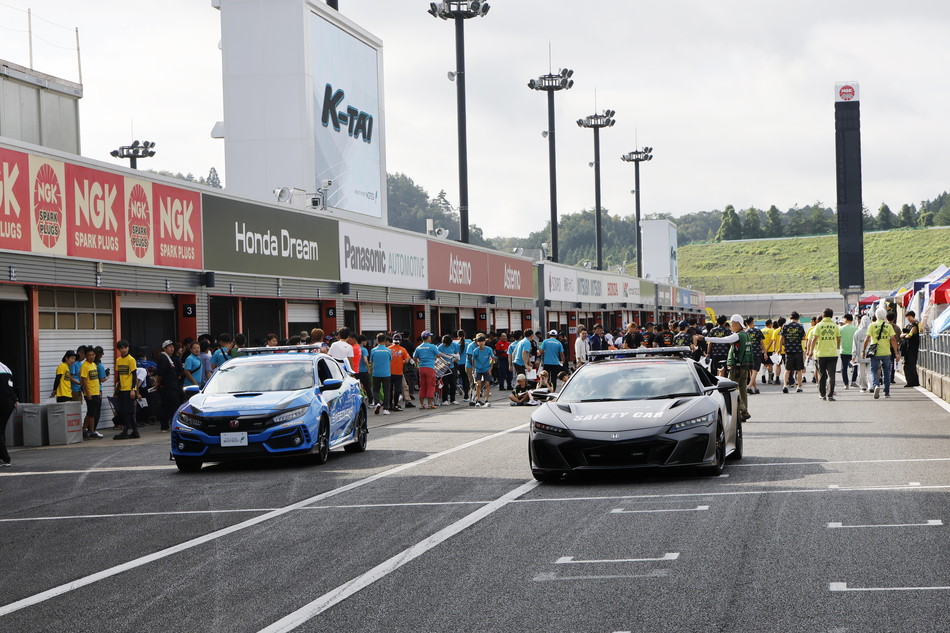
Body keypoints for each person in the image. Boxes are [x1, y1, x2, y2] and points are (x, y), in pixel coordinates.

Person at [705, 314, 752, 421]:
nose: (730, 325)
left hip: (736, 367)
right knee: (743, 391)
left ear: (737, 324)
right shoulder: (746, 334)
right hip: (744, 366)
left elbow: (723, 340)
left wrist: (704, 338)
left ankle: (743, 410)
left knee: (731, 389)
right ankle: (743, 413)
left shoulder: (737, 335)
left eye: (732, 323)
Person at [863, 307, 900, 399]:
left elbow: (867, 339)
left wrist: (863, 351)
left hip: (874, 352)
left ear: (876, 315)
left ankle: (876, 385)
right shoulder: (888, 326)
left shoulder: (872, 325)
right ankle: (886, 392)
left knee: (873, 370)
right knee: (886, 372)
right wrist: (896, 352)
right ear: (885, 316)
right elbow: (893, 339)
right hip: (886, 352)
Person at [807, 308, 841, 401]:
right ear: (832, 316)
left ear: (823, 315)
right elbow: (838, 338)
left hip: (821, 354)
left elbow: (814, 339)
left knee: (822, 374)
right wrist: (836, 346)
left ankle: (822, 394)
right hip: (832, 354)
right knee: (831, 375)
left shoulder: (818, 326)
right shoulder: (835, 326)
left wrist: (810, 351)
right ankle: (830, 395)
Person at [413, 331, 450, 410]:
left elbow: (414, 358)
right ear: (428, 337)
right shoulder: (432, 346)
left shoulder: (418, 347)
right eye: (430, 336)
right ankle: (430, 404)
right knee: (431, 386)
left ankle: (422, 404)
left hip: (421, 368)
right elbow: (438, 355)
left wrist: (419, 362)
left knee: (422, 386)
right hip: (430, 368)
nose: (431, 338)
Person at [113, 340, 140, 439]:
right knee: (128, 412)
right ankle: (135, 432)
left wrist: (133, 389)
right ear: (119, 349)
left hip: (129, 389)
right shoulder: (118, 360)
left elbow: (134, 375)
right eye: (121, 348)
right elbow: (119, 375)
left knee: (127, 412)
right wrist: (117, 389)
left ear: (128, 348)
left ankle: (125, 432)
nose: (124, 350)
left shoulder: (131, 359)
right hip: (122, 389)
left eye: (125, 347)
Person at [157, 339, 183, 432]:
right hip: (167, 387)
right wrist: (157, 383)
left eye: (172, 347)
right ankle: (169, 425)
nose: (172, 349)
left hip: (172, 386)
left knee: (168, 407)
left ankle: (166, 426)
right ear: (164, 348)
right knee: (172, 407)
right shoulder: (163, 358)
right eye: (169, 347)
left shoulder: (170, 358)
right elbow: (161, 373)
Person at [779, 312, 807, 393]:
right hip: (798, 350)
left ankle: (785, 385)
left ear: (790, 318)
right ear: (798, 318)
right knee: (799, 370)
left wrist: (781, 347)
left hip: (788, 350)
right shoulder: (800, 326)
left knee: (787, 369)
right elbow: (803, 337)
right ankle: (798, 386)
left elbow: (781, 338)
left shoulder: (785, 326)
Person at [79, 348, 104, 439]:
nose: (92, 356)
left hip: (96, 392)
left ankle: (83, 430)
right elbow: (84, 381)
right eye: (89, 355)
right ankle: (92, 431)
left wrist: (99, 391)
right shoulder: (84, 366)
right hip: (90, 393)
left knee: (90, 412)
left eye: (93, 355)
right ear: (86, 356)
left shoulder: (93, 365)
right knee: (92, 413)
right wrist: (88, 393)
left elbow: (96, 380)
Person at [368, 333, 393, 415]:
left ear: (377, 340)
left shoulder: (373, 350)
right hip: (386, 373)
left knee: (376, 390)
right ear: (385, 340)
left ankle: (377, 402)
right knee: (386, 391)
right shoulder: (388, 350)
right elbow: (390, 360)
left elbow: (371, 362)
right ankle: (386, 409)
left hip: (376, 373)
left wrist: (370, 371)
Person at [469, 334, 495, 407]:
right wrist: (473, 369)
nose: (481, 343)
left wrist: (490, 368)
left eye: (482, 341)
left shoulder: (489, 349)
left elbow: (492, 358)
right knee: (478, 384)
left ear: (484, 342)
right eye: (479, 342)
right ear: (477, 343)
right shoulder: (475, 351)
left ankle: (486, 400)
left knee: (487, 384)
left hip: (486, 369)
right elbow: (473, 360)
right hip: (478, 369)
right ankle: (478, 400)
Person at [0, 360, 17, 466]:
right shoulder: (6, 368)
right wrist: (15, 399)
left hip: (2, 401)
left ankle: (5, 459)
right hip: (10, 402)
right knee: (1, 430)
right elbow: (10, 386)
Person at [744, 317, 766, 394]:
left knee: (751, 371)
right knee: (755, 371)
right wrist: (765, 352)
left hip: (747, 353)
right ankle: (749, 387)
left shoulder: (744, 332)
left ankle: (756, 388)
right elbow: (761, 343)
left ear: (746, 323)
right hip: (756, 353)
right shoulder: (757, 331)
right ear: (753, 322)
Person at [388, 334, 410, 411]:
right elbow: (407, 360)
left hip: (389, 372)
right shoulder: (403, 349)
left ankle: (390, 405)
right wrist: (401, 362)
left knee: (390, 389)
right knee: (397, 390)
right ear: (400, 341)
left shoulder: (388, 349)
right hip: (398, 372)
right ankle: (396, 404)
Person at [437, 334, 459, 405]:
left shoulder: (454, 345)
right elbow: (437, 357)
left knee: (453, 383)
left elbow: (457, 354)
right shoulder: (440, 347)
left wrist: (456, 358)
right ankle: (445, 400)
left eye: (447, 344)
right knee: (445, 384)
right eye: (445, 344)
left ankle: (453, 399)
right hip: (443, 367)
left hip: (452, 366)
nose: (445, 345)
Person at [838, 314, 858, 390]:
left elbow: (838, 339)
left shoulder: (841, 328)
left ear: (846, 319)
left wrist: (838, 345)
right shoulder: (856, 328)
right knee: (855, 366)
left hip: (843, 351)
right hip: (854, 351)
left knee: (844, 368)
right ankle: (853, 381)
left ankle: (846, 384)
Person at [901, 311, 920, 388]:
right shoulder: (908, 325)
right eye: (907, 317)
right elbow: (901, 335)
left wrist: (906, 335)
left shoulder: (915, 325)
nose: (908, 318)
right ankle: (909, 381)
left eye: (909, 316)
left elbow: (910, 335)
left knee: (911, 365)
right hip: (907, 348)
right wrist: (905, 335)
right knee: (906, 365)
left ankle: (914, 382)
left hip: (913, 348)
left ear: (913, 316)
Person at [853, 315, 871, 392]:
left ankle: (863, 386)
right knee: (870, 372)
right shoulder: (871, 331)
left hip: (861, 355)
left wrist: (853, 354)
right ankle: (871, 385)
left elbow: (854, 344)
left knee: (861, 372)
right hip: (871, 355)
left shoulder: (858, 332)